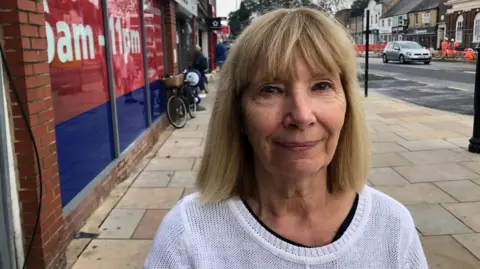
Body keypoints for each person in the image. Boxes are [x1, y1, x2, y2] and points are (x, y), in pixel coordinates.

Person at [144, 8, 428, 269]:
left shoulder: (392, 226)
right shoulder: (188, 236)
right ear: (238, 112)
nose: (302, 116)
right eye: (271, 89)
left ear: (347, 105)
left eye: (321, 85)